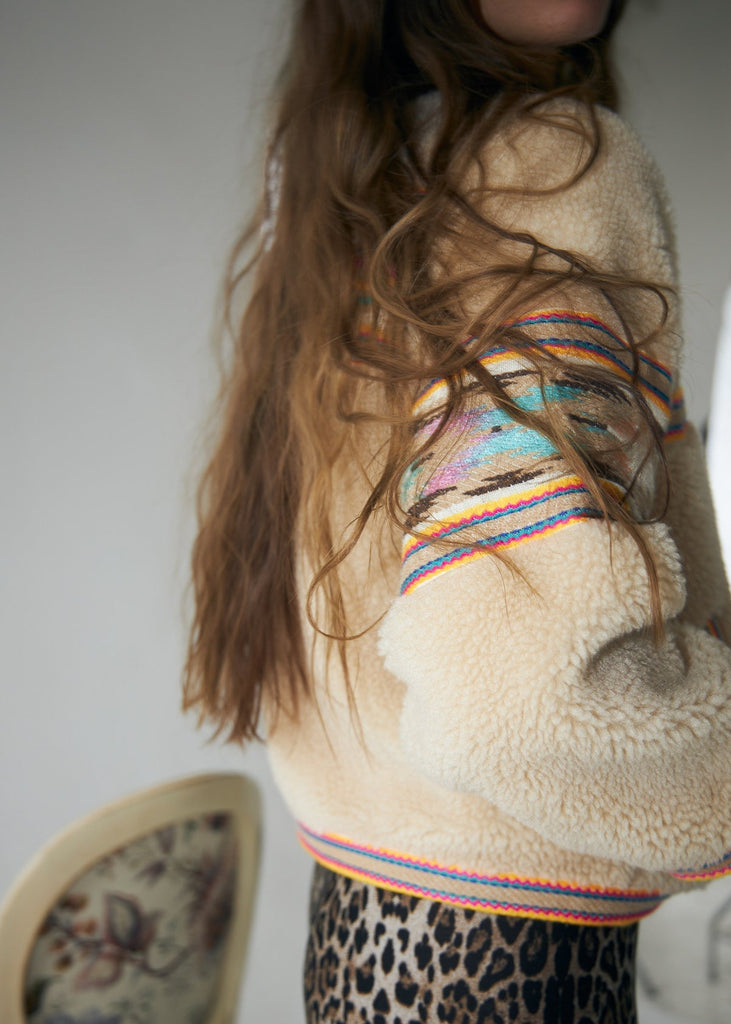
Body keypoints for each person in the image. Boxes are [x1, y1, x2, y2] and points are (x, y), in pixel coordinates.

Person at [184, 1, 731, 1020]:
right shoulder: (550, 168)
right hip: (511, 970)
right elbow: (522, 699)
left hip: (357, 941)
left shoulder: (343, 190)